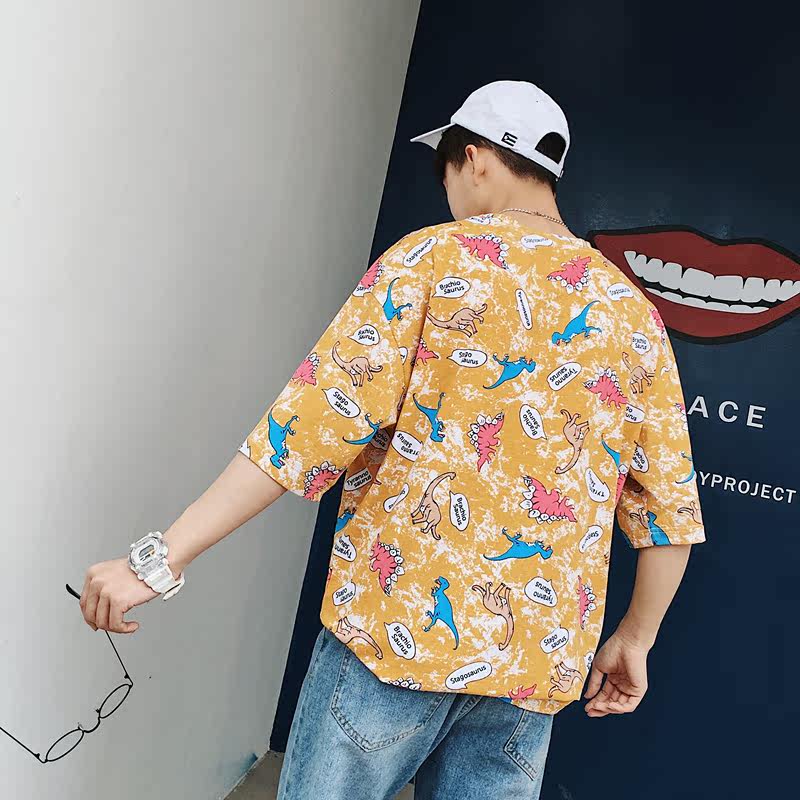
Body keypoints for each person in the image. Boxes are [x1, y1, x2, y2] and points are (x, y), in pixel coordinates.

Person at [79, 80, 706, 799]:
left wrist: (159, 560)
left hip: (393, 638)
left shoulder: (431, 260)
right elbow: (669, 511)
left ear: (474, 158)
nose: (448, 191)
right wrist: (635, 638)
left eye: (444, 169)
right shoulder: (632, 313)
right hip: (530, 667)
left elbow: (304, 431)